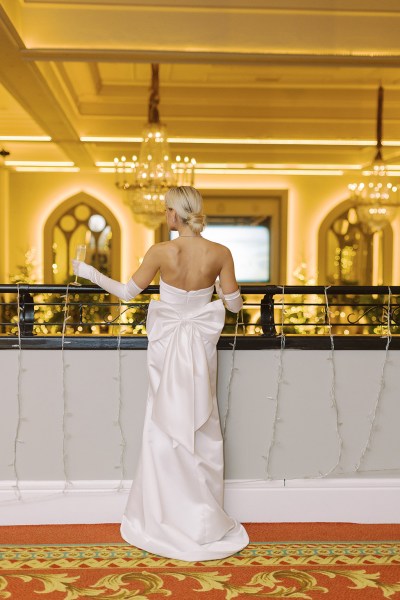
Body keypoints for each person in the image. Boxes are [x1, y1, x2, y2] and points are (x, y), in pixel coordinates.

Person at [72, 185, 249, 561]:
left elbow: (126, 292)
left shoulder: (161, 252)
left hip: (167, 346)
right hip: (200, 348)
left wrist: (89, 272)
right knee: (203, 423)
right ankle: (202, 519)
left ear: (174, 214)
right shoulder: (221, 253)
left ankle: (163, 516)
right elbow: (233, 306)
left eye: (165, 210)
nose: (163, 215)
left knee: (163, 422)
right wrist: (218, 287)